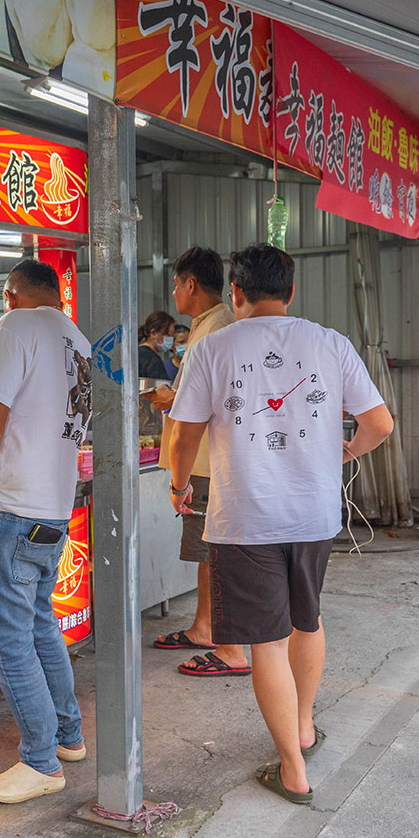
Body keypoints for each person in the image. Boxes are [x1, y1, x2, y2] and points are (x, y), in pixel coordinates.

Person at [167, 245, 393, 805]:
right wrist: (347, 451)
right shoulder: (330, 343)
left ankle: (292, 768)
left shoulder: (212, 348)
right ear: (291, 293)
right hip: (314, 514)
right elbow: (380, 424)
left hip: (245, 518)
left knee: (265, 643)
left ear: (236, 293)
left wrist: (178, 486)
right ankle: (305, 726)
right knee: (307, 622)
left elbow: (183, 435)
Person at [0, 258, 92, 804]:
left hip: (8, 512)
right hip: (53, 509)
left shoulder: (18, 325)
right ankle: (68, 734)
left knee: (10, 640)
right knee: (38, 625)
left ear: (11, 296)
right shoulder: (75, 340)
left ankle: (40, 760)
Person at [147, 246, 248, 677]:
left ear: (191, 284)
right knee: (209, 553)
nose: (173, 293)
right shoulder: (210, 326)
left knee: (216, 552)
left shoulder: (213, 331)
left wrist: (179, 480)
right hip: (208, 459)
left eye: (175, 284)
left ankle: (227, 644)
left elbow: (198, 407)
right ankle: (205, 627)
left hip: (207, 460)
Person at [137, 310, 175, 380]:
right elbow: (161, 388)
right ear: (153, 333)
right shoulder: (152, 360)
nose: (170, 339)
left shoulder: (136, 353)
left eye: (172, 336)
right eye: (168, 334)